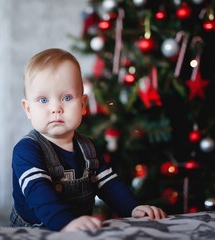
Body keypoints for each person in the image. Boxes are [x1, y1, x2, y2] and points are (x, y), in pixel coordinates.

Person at [10, 48, 167, 232]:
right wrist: (66, 223)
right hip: (32, 231)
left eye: (67, 97)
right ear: (28, 109)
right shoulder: (27, 150)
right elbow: (38, 191)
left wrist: (133, 208)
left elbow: (109, 184)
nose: (56, 108)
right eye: (43, 100)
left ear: (83, 104)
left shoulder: (88, 149)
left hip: (76, 229)